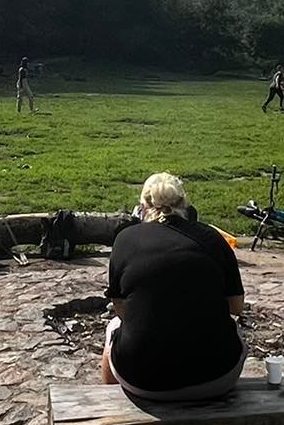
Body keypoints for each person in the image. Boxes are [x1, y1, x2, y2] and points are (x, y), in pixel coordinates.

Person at [101, 172, 247, 401]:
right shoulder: (212, 239)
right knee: (233, 329)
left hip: (142, 381)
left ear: (142, 207)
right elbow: (236, 307)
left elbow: (122, 310)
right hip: (218, 376)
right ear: (186, 205)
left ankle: (110, 407)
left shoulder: (125, 239)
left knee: (114, 327)